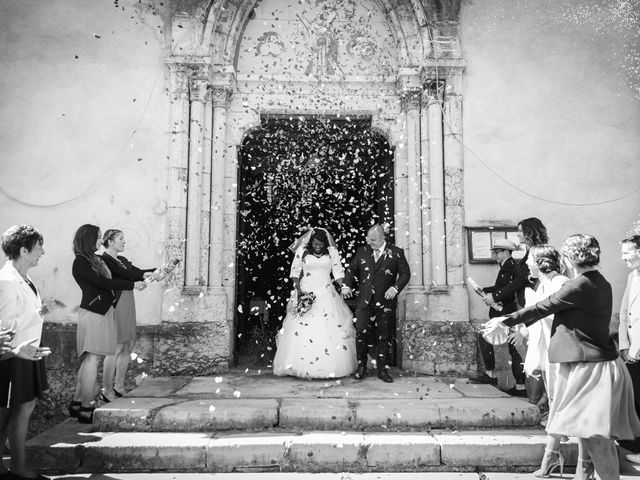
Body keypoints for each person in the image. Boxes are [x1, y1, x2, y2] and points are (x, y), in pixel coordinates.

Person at [483, 234, 640, 480]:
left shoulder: (578, 285)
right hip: (594, 365)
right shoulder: (598, 281)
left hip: (592, 369)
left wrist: (503, 320)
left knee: (597, 440)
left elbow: (541, 308)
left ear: (568, 258)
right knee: (589, 437)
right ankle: (581, 472)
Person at [70, 224, 145, 423]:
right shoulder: (81, 262)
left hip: (102, 312)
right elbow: (102, 283)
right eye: (96, 237)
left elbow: (115, 278)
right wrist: (132, 285)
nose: (99, 240)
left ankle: (77, 404)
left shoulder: (93, 260)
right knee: (92, 360)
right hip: (94, 313)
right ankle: (86, 408)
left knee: (90, 360)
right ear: (88, 239)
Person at [0, 225, 52, 480]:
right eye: (38, 246)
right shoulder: (7, 282)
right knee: (7, 410)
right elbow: (3, 325)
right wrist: (14, 350)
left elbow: (24, 316)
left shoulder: (26, 279)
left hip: (28, 351)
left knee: (25, 405)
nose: (42, 252)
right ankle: (15, 466)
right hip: (12, 356)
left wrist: (42, 311)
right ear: (23, 250)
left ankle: (17, 465)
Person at [273, 227, 357, 379]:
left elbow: (338, 272)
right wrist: (299, 291)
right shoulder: (302, 251)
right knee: (300, 327)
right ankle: (297, 365)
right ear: (311, 242)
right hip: (306, 290)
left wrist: (343, 286)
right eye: (315, 244)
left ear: (325, 244)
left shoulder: (332, 252)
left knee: (329, 327)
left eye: (321, 245)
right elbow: (294, 271)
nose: (318, 247)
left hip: (326, 293)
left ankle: (328, 367)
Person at [342, 224, 410, 383]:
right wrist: (346, 285)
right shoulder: (362, 251)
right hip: (364, 301)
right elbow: (351, 270)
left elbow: (405, 274)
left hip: (385, 301)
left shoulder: (396, 252)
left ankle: (382, 370)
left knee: (383, 335)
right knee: (361, 333)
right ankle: (361, 366)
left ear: (382, 238)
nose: (368, 241)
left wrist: (395, 287)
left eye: (372, 239)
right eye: (367, 238)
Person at [100, 229, 154, 402]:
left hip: (128, 301)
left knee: (127, 346)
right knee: (114, 347)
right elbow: (127, 275)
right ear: (109, 241)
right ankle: (106, 389)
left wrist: (156, 271)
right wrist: (137, 280)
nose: (124, 242)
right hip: (116, 303)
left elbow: (136, 271)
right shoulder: (104, 260)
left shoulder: (122, 260)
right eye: (120, 239)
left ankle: (119, 386)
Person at [469, 239, 526, 394]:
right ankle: (519, 384)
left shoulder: (510, 266)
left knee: (494, 339)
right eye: (494, 252)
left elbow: (509, 288)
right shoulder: (506, 266)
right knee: (510, 345)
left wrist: (494, 296)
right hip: (504, 311)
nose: (494, 255)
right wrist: (485, 290)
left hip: (506, 311)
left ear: (507, 252)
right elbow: (501, 287)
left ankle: (495, 376)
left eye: (497, 251)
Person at [618, 234, 640, 457]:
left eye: (627, 253)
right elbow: (625, 311)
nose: (623, 258)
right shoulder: (632, 276)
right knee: (633, 397)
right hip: (631, 349)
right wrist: (624, 344)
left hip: (638, 350)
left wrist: (636, 349)